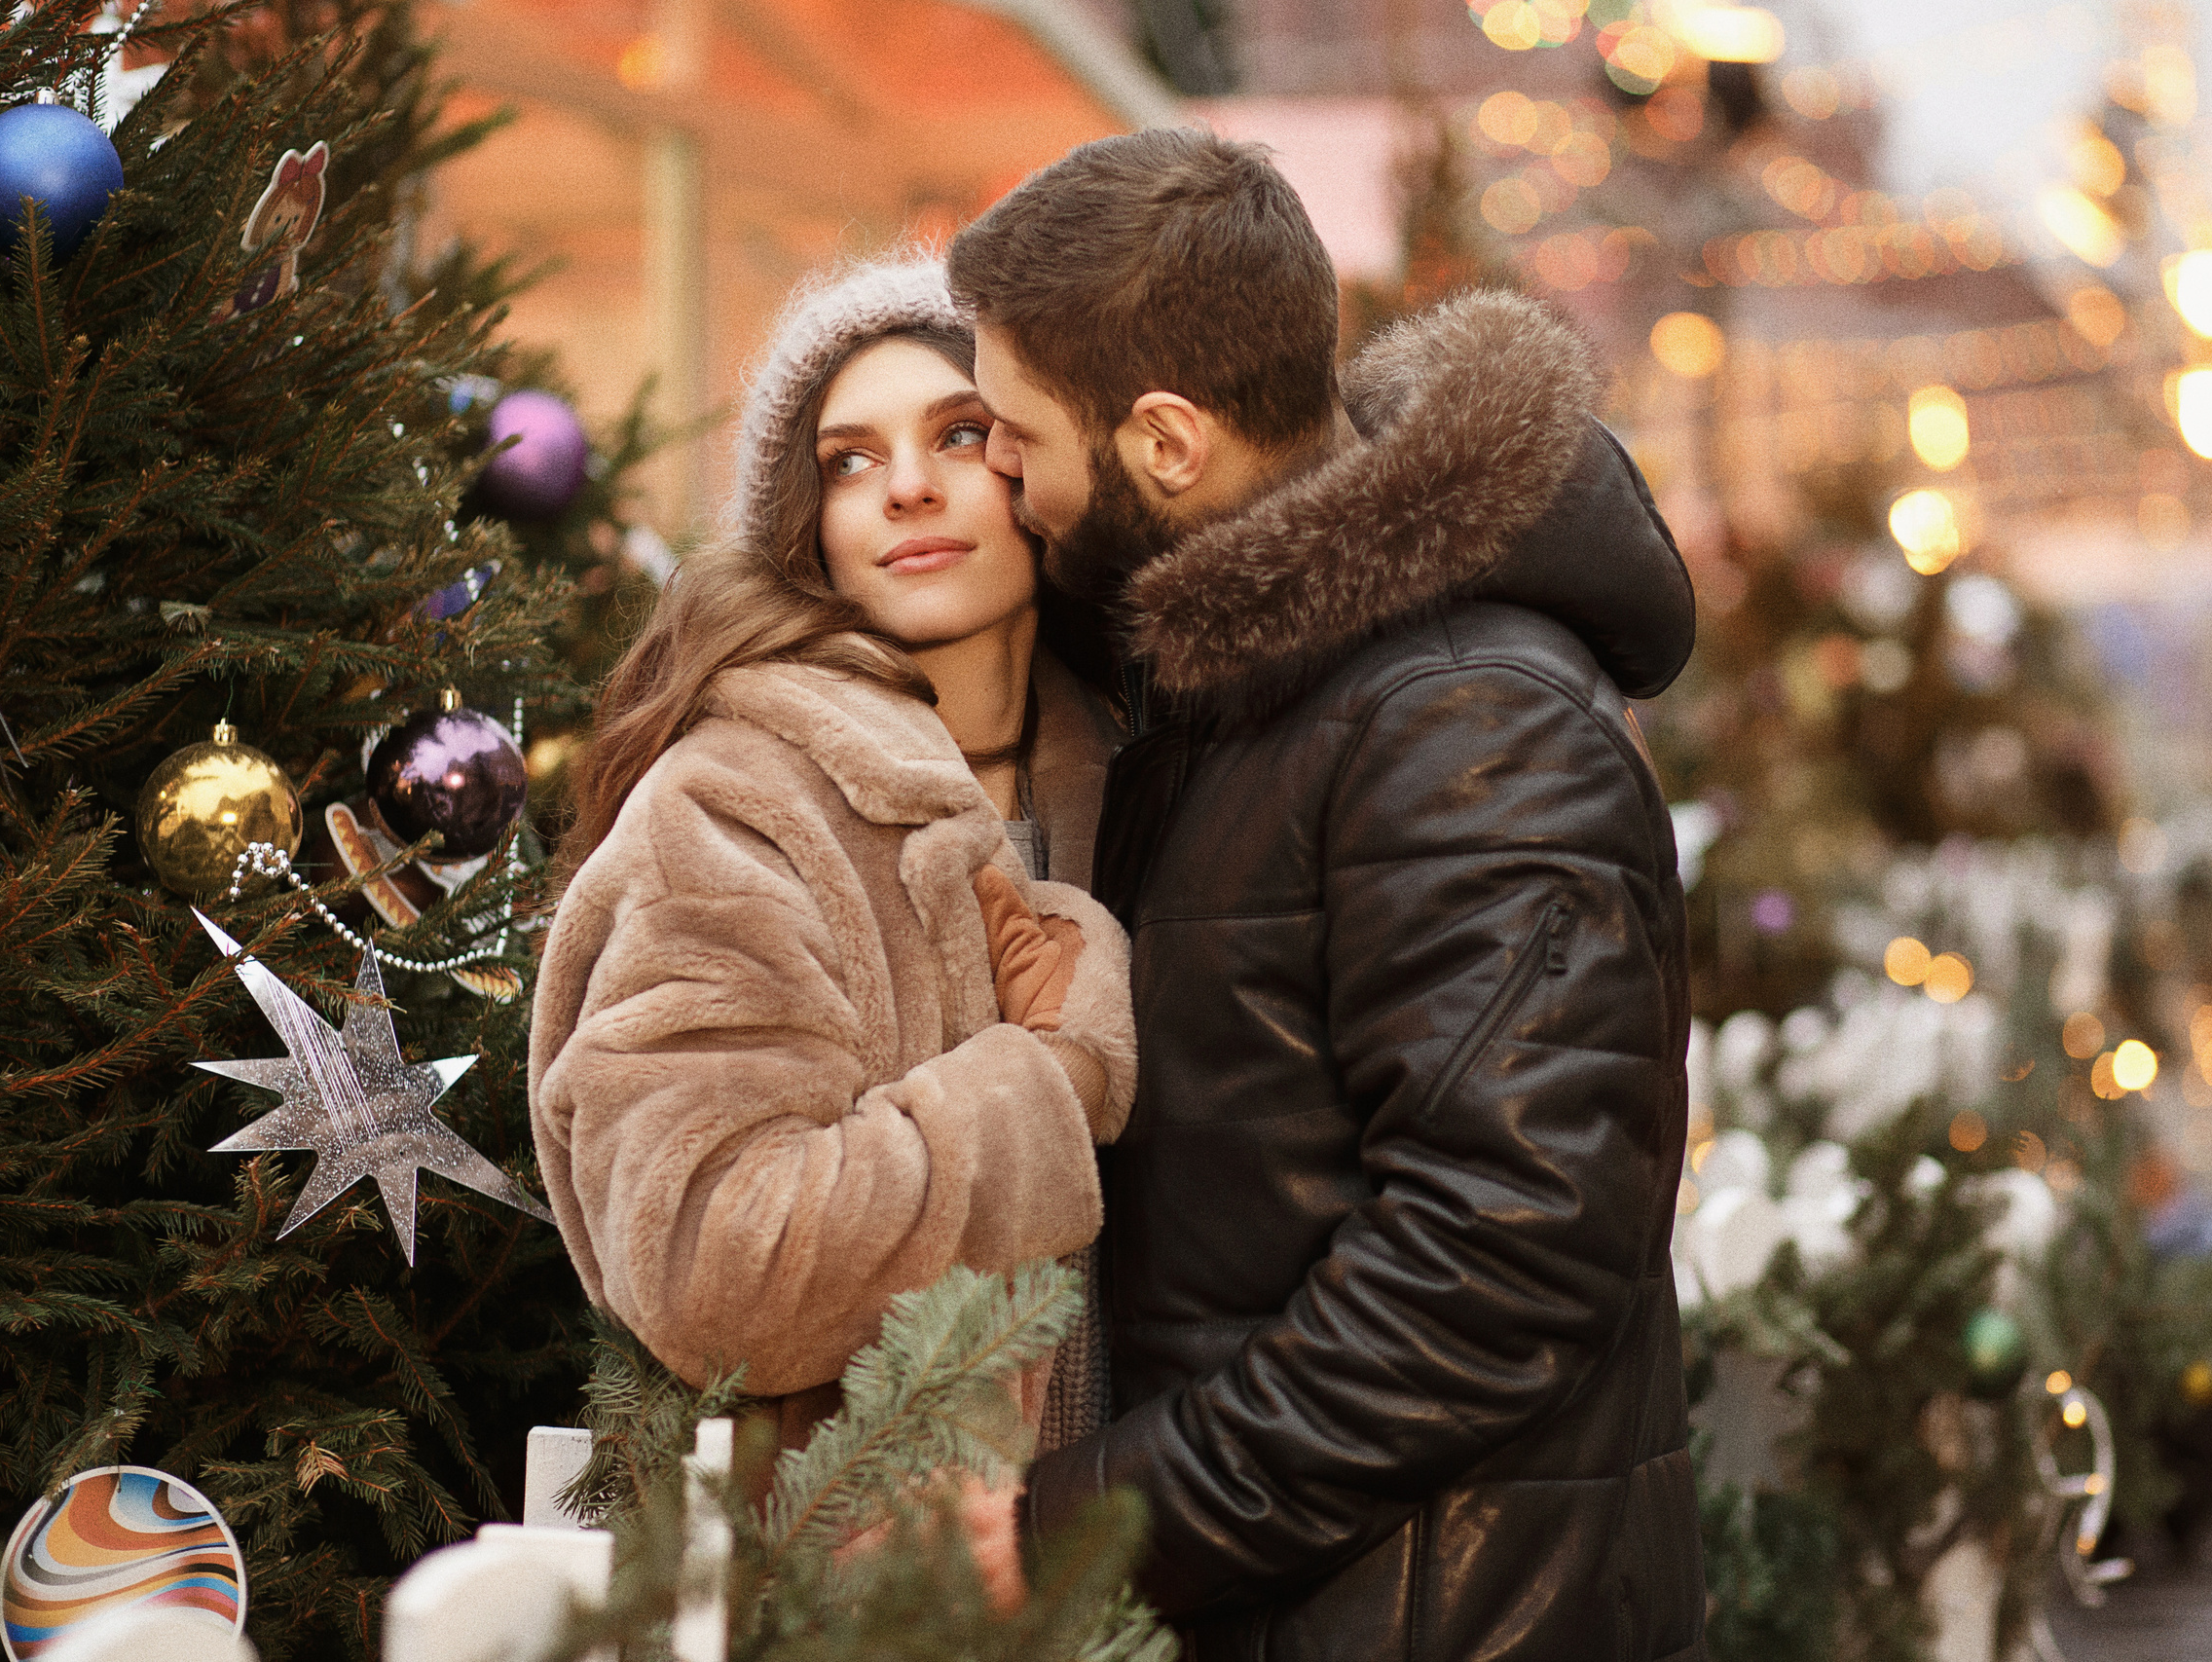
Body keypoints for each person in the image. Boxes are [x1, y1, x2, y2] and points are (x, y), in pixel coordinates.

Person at [947, 130, 1708, 1658]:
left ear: (1166, 444)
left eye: (1011, 431)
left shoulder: (1468, 722)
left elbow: (1498, 1254)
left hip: (1442, 1611)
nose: (996, 475)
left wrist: (1093, 1527)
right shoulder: (1240, 673)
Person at [529, 257, 1132, 1460]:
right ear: (810, 531)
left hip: (1160, 1572)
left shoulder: (1155, 778)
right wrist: (1051, 1082)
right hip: (869, 1594)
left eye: (960, 434)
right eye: (848, 461)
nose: (906, 487)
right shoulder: (737, 803)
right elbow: (713, 1263)